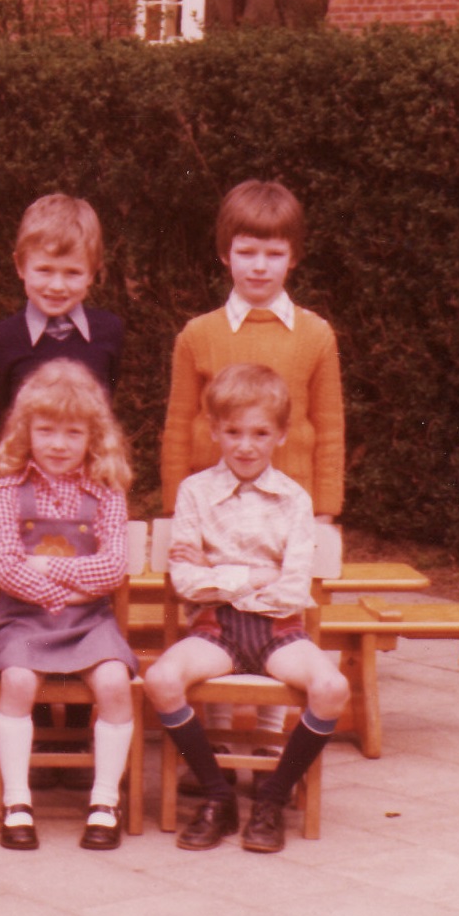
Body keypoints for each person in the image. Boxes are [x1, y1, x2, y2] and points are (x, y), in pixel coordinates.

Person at [160, 179, 343, 748]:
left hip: (288, 515)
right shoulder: (199, 334)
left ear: (294, 257)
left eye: (273, 253)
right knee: (214, 619)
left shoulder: (315, 335)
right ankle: (213, 734)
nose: (259, 266)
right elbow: (178, 425)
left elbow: (329, 425)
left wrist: (325, 511)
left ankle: (271, 735)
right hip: (212, 511)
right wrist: (174, 509)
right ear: (225, 253)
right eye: (246, 251)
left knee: (281, 626)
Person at [148, 362, 349, 853]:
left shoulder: (295, 500)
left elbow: (292, 590)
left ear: (281, 435)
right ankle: (219, 796)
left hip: (279, 629)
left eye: (260, 433)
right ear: (214, 430)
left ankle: (271, 800)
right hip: (215, 628)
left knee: (332, 688)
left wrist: (220, 577)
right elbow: (186, 583)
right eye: (233, 431)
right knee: (161, 680)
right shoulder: (195, 492)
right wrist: (254, 577)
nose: (245, 445)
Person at [0, 360, 138, 852]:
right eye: (46, 430)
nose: (58, 444)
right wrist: (62, 591)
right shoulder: (10, 490)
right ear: (25, 432)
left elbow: (112, 567)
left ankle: (105, 801)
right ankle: (17, 800)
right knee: (18, 681)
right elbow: (8, 567)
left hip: (91, 622)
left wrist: (49, 570)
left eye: (73, 432)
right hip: (24, 620)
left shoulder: (106, 492)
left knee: (114, 683)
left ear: (94, 436)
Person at [0, 194, 125, 426]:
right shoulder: (2, 339)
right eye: (45, 270)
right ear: (20, 266)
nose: (57, 286)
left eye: (72, 273)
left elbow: (104, 411)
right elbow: (3, 420)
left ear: (92, 272)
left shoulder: (109, 331)